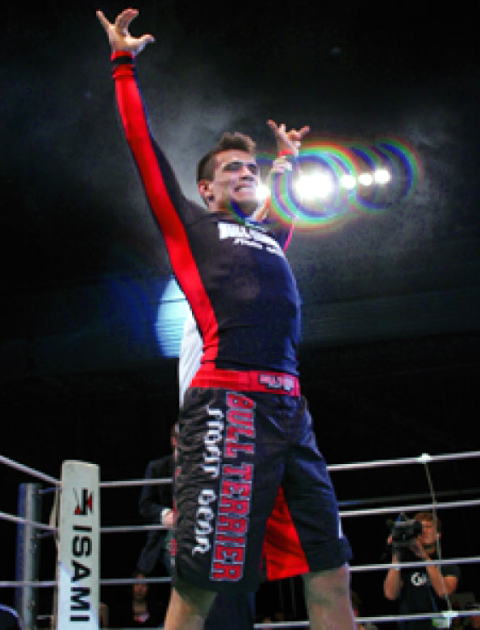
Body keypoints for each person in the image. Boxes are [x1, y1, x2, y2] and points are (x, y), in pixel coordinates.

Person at [97, 8, 355, 630]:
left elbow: (284, 205)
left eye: (251, 169)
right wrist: (123, 63)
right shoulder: (191, 228)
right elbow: (142, 149)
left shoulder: (270, 236)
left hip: (290, 410)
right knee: (200, 585)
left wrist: (287, 158)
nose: (246, 173)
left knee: (330, 570)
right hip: (226, 407)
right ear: (206, 190)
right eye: (232, 169)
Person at [383, 511, 460, 629]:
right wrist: (397, 554)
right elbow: (390, 594)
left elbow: (444, 592)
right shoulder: (405, 563)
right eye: (419, 527)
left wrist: (424, 556)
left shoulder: (447, 564)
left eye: (428, 527)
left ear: (438, 535)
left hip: (438, 626)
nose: (423, 531)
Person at [136, 425, 177, 577]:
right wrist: (165, 514)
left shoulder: (202, 469)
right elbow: (145, 505)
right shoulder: (158, 467)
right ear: (174, 441)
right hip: (168, 537)